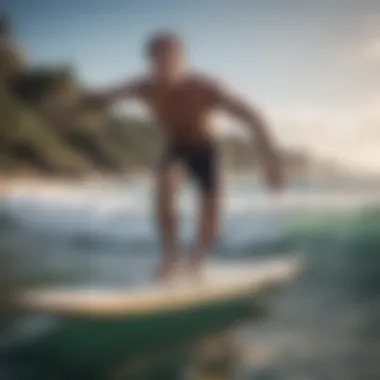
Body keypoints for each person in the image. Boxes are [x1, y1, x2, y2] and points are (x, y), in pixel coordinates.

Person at [62, 31, 284, 281]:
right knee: (164, 186)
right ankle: (171, 258)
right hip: (177, 146)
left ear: (182, 60)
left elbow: (251, 116)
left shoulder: (203, 87)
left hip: (207, 147)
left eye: (173, 59)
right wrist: (68, 113)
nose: (166, 66)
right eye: (160, 60)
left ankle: (197, 261)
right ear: (151, 62)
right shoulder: (144, 88)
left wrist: (271, 162)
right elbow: (101, 99)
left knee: (211, 210)